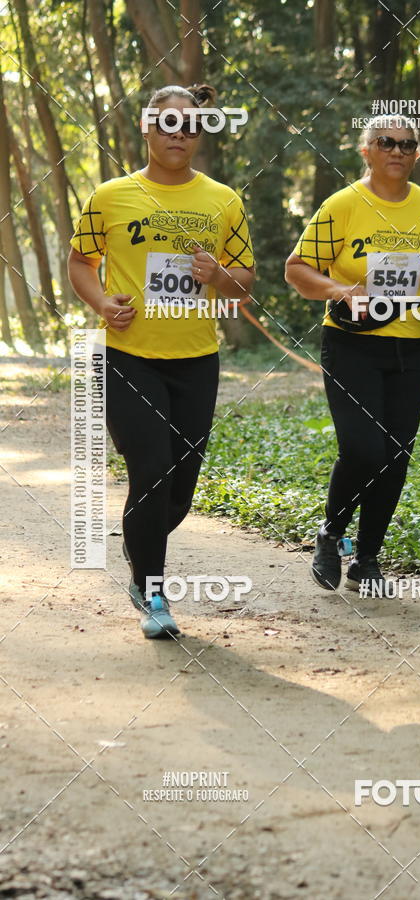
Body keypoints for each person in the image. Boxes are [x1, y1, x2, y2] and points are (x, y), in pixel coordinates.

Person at [68, 84, 255, 637]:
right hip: (127, 357)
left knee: (178, 492)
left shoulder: (223, 200)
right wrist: (102, 302)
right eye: (168, 124)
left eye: (190, 125)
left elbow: (244, 282)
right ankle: (153, 592)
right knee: (151, 471)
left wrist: (219, 275)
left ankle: (140, 547)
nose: (179, 134)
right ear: (147, 128)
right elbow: (80, 262)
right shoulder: (111, 196)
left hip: (197, 360)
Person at [285, 115, 420, 595]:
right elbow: (296, 270)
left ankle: (367, 559)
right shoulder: (342, 205)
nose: (397, 151)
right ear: (367, 151)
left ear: (417, 153)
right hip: (352, 345)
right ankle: (330, 533)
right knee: (364, 450)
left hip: (413, 347)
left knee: (396, 456)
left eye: (407, 144)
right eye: (386, 142)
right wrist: (340, 290)